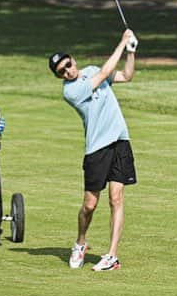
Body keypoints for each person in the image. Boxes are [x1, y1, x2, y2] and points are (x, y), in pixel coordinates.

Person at [49, 28, 138, 272]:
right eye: (62, 71)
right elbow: (106, 72)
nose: (68, 70)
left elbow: (126, 76)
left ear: (72, 59)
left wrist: (131, 51)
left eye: (68, 64)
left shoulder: (88, 71)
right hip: (97, 149)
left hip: (120, 140)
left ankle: (112, 256)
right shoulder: (71, 91)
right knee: (90, 205)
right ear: (60, 76)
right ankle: (80, 242)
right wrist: (121, 42)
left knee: (116, 198)